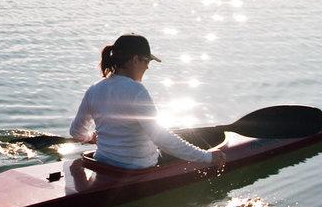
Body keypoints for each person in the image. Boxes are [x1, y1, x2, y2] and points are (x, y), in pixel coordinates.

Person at [69, 33, 226, 170]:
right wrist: (208, 157)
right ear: (135, 60)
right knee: (172, 141)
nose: (147, 68)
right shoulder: (137, 91)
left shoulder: (94, 89)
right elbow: (161, 138)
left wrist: (91, 137)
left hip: (102, 162)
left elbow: (76, 132)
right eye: (147, 62)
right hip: (138, 167)